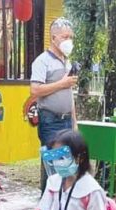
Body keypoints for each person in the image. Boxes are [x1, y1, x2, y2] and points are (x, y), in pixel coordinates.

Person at [30, 17, 79, 193]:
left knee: (66, 167)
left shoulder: (67, 61)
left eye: (71, 37)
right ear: (53, 38)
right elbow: (35, 90)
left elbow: (69, 93)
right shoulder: (42, 61)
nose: (69, 41)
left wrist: (74, 121)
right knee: (54, 168)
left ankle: (59, 205)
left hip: (66, 121)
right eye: (65, 37)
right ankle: (48, 206)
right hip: (50, 121)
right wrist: (62, 83)